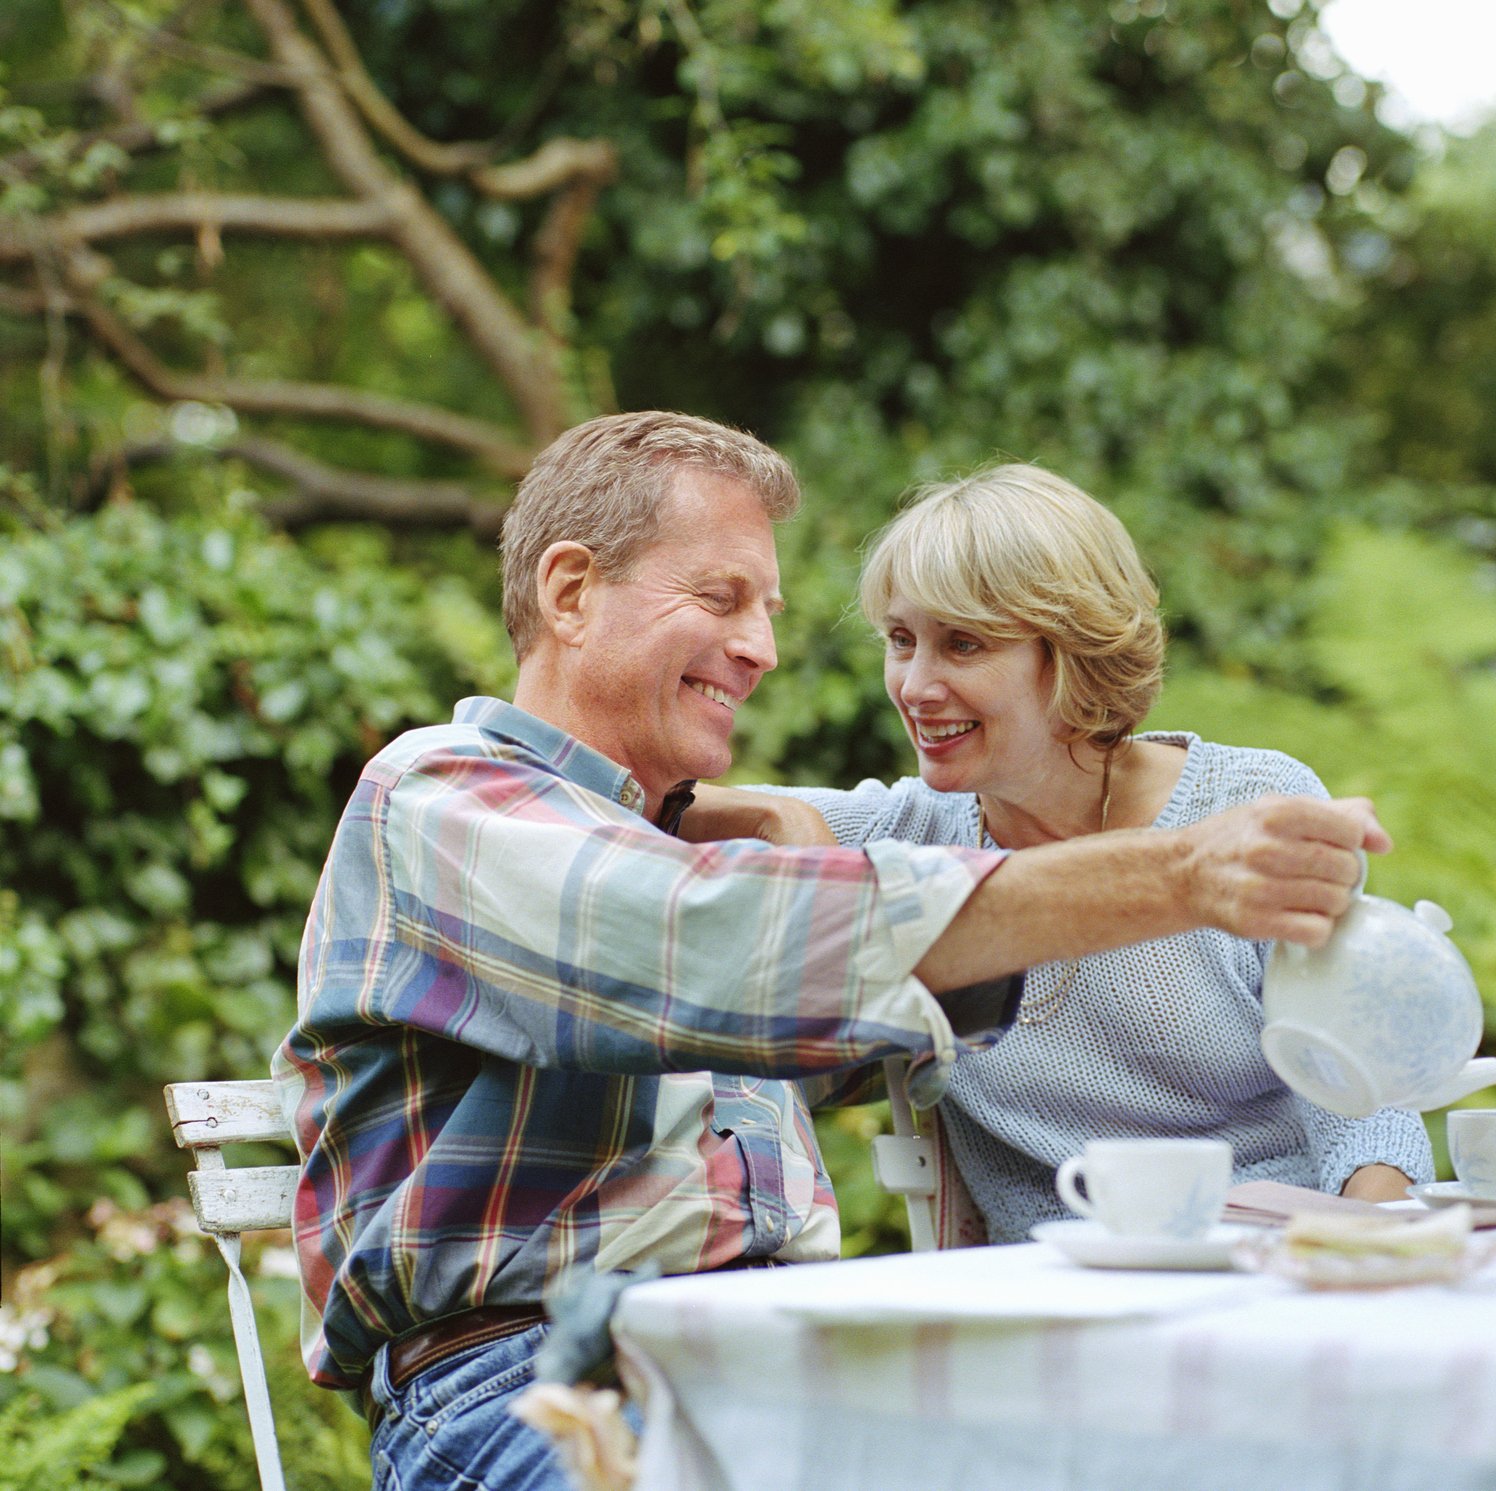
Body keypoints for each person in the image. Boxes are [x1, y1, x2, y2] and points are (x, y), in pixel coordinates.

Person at [275, 412, 1389, 1491]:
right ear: (570, 593)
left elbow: (815, 974)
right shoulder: (446, 798)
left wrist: (784, 851)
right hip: (540, 1381)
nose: (762, 649)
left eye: (767, 609)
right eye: (721, 599)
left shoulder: (670, 855)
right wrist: (1182, 876)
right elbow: (733, 946)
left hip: (775, 1357)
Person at [701, 464, 1431, 1244]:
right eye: (901, 641)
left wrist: (1365, 1247)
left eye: (963, 644)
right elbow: (638, 808)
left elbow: (1362, 1105)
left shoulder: (1244, 806)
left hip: (1274, 1261)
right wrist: (783, 819)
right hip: (1050, 1299)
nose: (915, 685)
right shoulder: (913, 834)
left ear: (1073, 652)